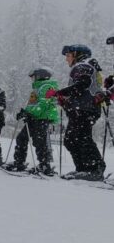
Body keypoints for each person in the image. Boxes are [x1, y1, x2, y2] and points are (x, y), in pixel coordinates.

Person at [46, 44, 106, 180]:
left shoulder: (83, 66)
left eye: (68, 55)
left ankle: (95, 168)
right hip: (81, 109)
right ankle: (83, 169)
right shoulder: (82, 66)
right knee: (71, 139)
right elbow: (79, 91)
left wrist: (58, 92)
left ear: (77, 54)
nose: (66, 59)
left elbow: (81, 85)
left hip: (85, 109)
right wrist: (65, 101)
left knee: (81, 138)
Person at [5, 68, 59, 175]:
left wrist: (30, 113)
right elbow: (33, 105)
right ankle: (19, 161)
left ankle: (45, 165)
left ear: (40, 76)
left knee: (39, 142)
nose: (32, 79)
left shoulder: (47, 86)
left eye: (33, 77)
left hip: (41, 119)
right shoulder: (37, 88)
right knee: (21, 138)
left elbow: (43, 105)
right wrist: (25, 112)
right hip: (33, 119)